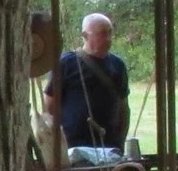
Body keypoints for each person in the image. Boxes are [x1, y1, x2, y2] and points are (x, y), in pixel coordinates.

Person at [55, 13, 130, 153]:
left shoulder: (117, 65)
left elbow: (123, 107)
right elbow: (50, 106)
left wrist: (120, 140)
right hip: (73, 145)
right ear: (85, 35)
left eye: (110, 33)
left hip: (109, 145)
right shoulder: (66, 63)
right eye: (102, 34)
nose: (108, 38)